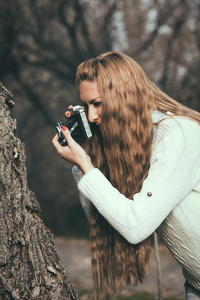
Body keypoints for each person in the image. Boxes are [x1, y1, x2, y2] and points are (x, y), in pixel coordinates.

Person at [52, 51, 200, 300]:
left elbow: (135, 226)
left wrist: (87, 166)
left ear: (123, 95)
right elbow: (105, 220)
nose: (90, 116)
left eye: (97, 103)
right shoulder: (135, 145)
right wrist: (83, 161)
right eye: (86, 106)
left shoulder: (179, 134)